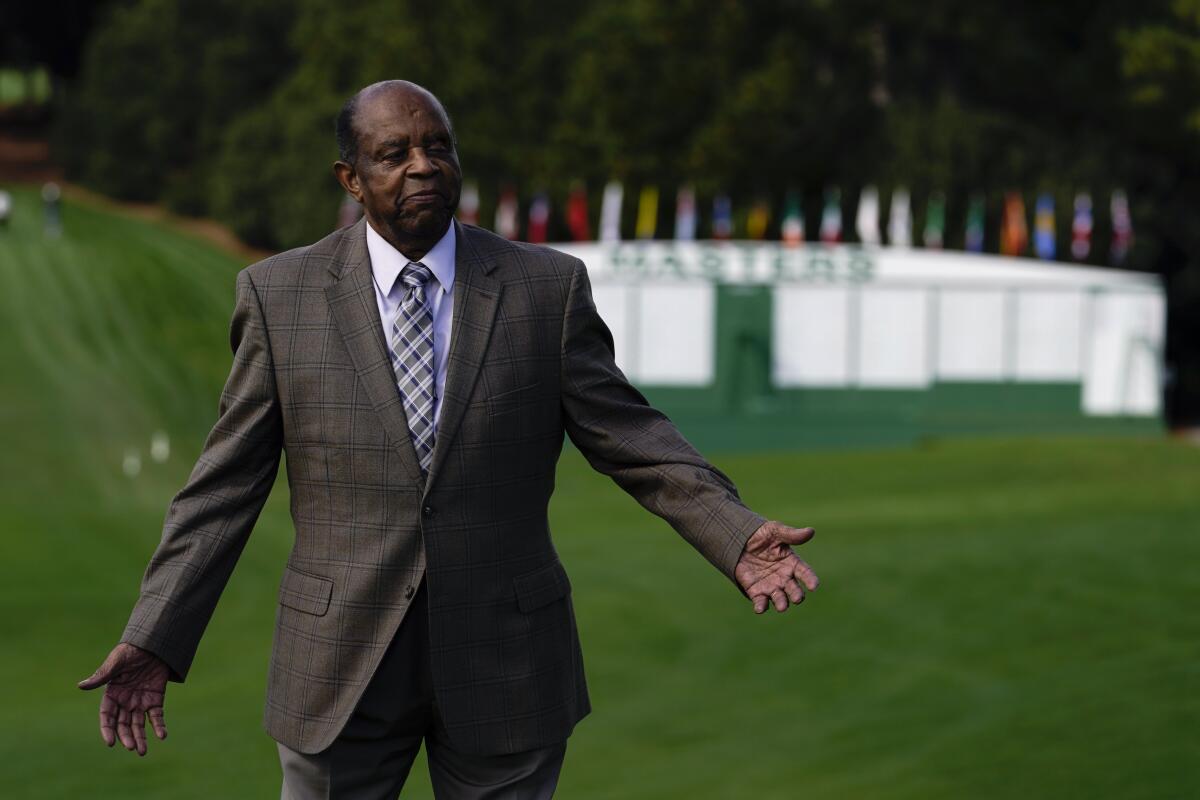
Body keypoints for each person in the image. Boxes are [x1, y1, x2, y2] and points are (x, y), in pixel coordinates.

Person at [79, 80, 820, 798]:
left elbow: (631, 434)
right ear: (351, 178)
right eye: (394, 153)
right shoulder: (279, 297)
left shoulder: (545, 289)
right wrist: (156, 635)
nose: (422, 165)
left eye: (438, 146)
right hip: (340, 667)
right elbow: (224, 487)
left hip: (508, 658)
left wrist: (735, 532)